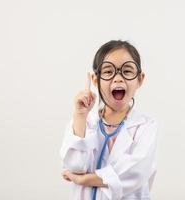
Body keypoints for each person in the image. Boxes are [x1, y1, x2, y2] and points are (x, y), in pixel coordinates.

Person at [60, 40, 158, 200]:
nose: (118, 78)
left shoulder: (146, 126)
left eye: (127, 71)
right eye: (108, 71)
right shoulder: (84, 121)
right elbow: (75, 165)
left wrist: (85, 179)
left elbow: (136, 172)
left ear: (140, 79)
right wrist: (80, 115)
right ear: (95, 80)